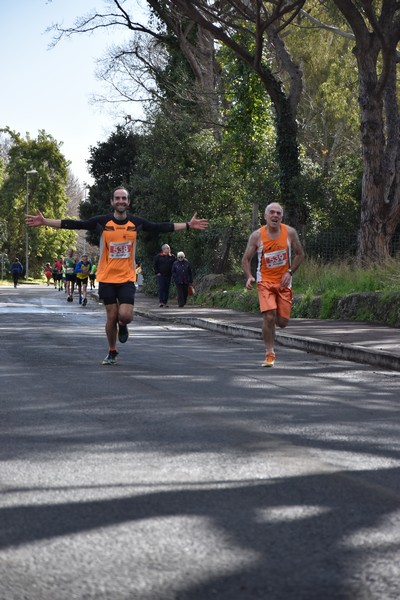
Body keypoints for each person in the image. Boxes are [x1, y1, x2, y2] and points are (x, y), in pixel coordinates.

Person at [26, 186, 208, 365]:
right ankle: (112, 351)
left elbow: (160, 227)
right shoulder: (102, 222)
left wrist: (188, 225)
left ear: (128, 202)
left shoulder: (135, 223)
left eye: (124, 198)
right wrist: (46, 221)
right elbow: (75, 224)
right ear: (112, 202)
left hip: (127, 277)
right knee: (111, 316)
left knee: (125, 316)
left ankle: (123, 326)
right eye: (117, 198)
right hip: (106, 277)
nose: (121, 201)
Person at [241, 202, 304, 367]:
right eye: (272, 213)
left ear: (281, 217)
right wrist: (249, 276)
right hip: (265, 282)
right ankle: (269, 353)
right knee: (269, 316)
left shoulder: (290, 233)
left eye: (278, 213)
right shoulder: (257, 236)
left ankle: (272, 324)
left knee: (282, 322)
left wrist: (289, 272)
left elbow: (300, 254)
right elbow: (246, 260)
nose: (275, 216)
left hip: (283, 283)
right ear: (265, 216)